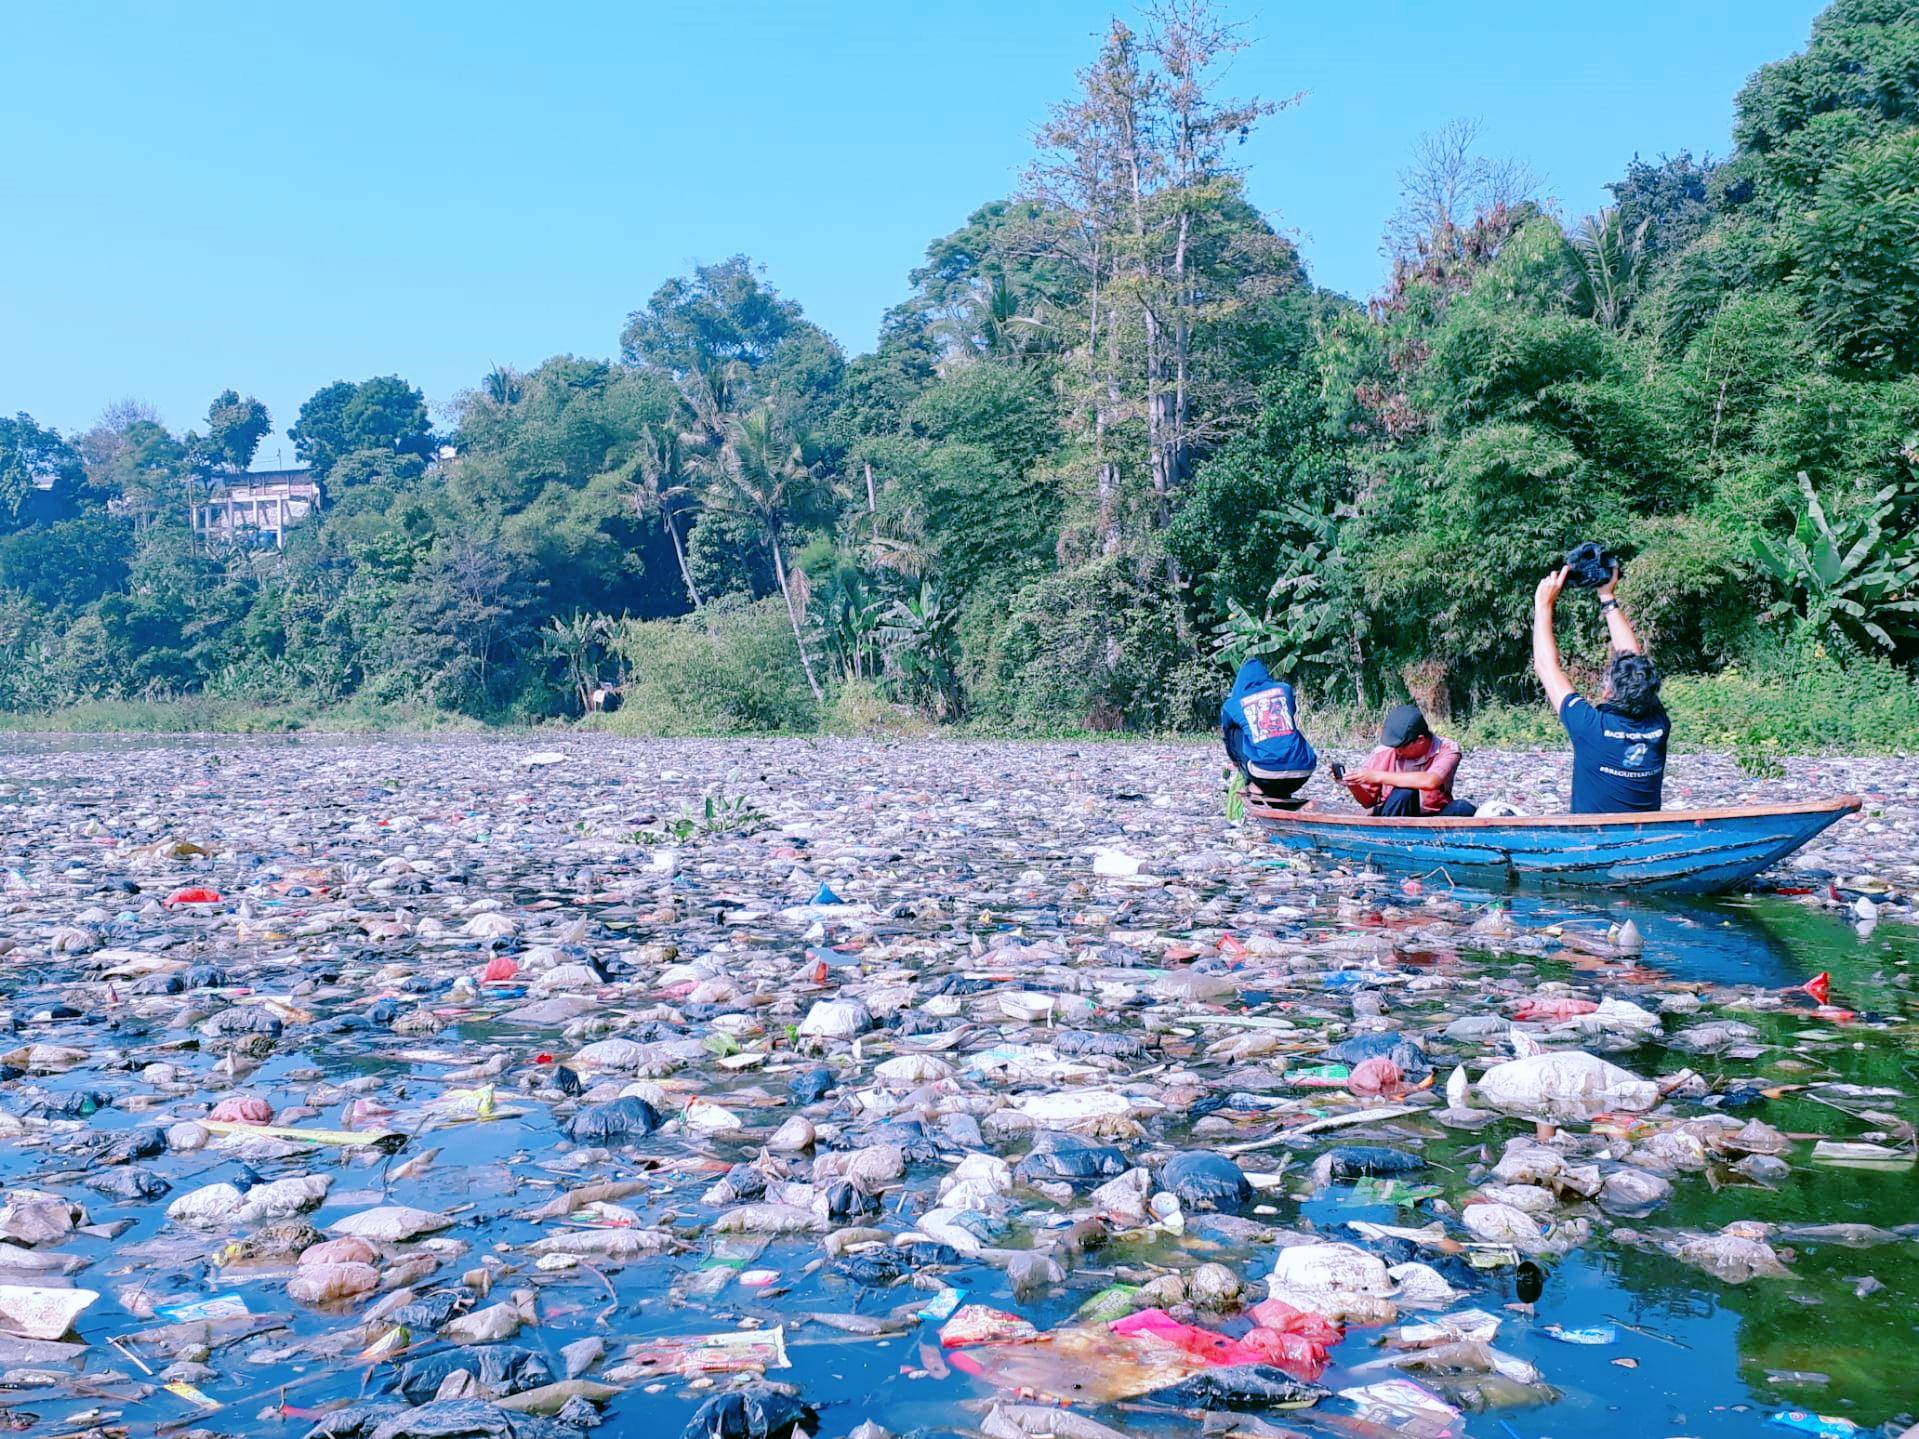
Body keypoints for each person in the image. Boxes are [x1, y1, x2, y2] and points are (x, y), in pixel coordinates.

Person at [1532, 561, 1669, 813]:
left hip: (1591, 843)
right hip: (1644, 839)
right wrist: (1607, 596)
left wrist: (1543, 604)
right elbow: (1633, 661)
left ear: (1608, 693)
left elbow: (1545, 666)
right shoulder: (1657, 725)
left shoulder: (1592, 728)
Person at [1340, 703, 1476, 817]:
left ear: (1420, 740)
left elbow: (1431, 781)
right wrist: (1354, 784)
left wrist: (1377, 776)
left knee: (1463, 808)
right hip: (1393, 815)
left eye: (1401, 747)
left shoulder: (1447, 749)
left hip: (1432, 816)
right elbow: (1367, 802)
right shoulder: (1383, 753)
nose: (1397, 751)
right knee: (1405, 793)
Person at [1220, 657, 1317, 807]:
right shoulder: (1284, 689)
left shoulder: (1232, 704)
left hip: (1263, 776)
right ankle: (1279, 778)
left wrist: (1235, 762)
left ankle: (1253, 784)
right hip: (1302, 773)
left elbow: (1227, 737)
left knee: (1233, 730)